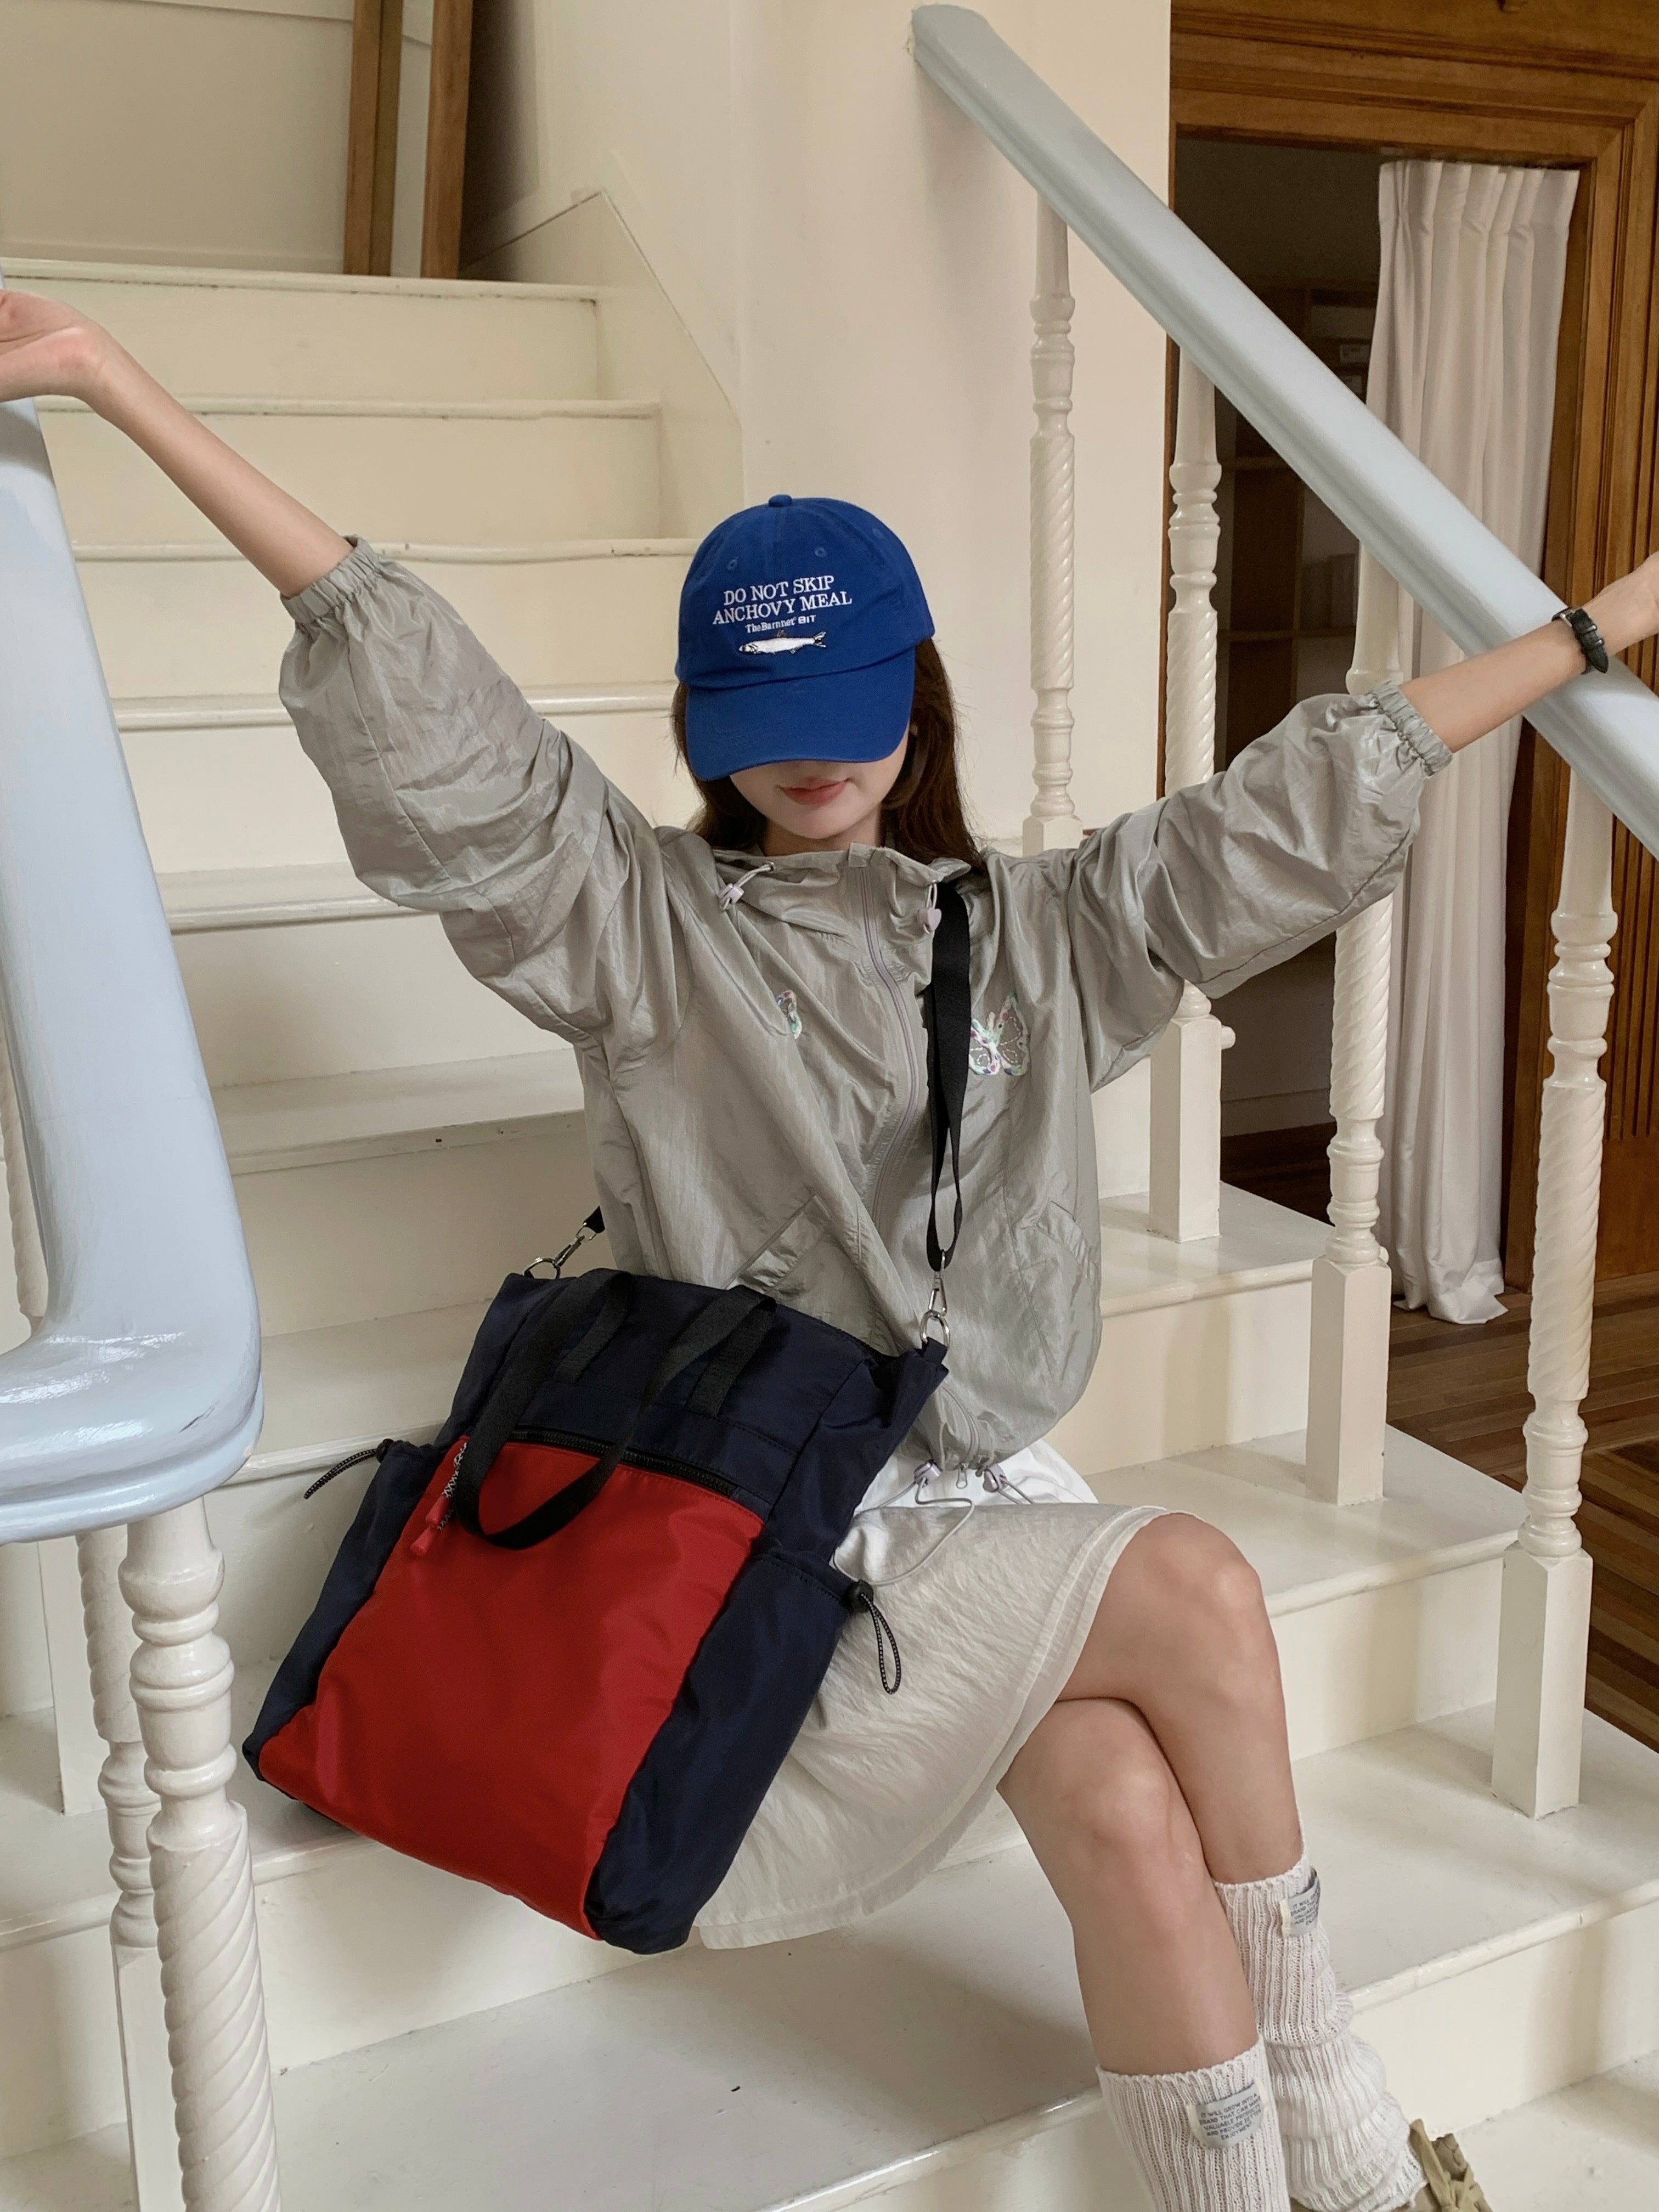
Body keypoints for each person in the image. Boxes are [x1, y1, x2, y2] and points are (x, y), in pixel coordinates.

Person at [5, 285, 1656, 2212]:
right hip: (766, 1529)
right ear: (705, 725)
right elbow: (428, 706)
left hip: (983, 1499)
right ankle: (1348, 2119)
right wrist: (117, 387)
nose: (816, 768)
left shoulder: (1042, 930)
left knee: (1126, 1806)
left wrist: (1595, 629)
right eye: (766, 727)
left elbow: (1297, 806)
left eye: (851, 718)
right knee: (1199, 1585)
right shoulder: (635, 927)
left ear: (916, 696)